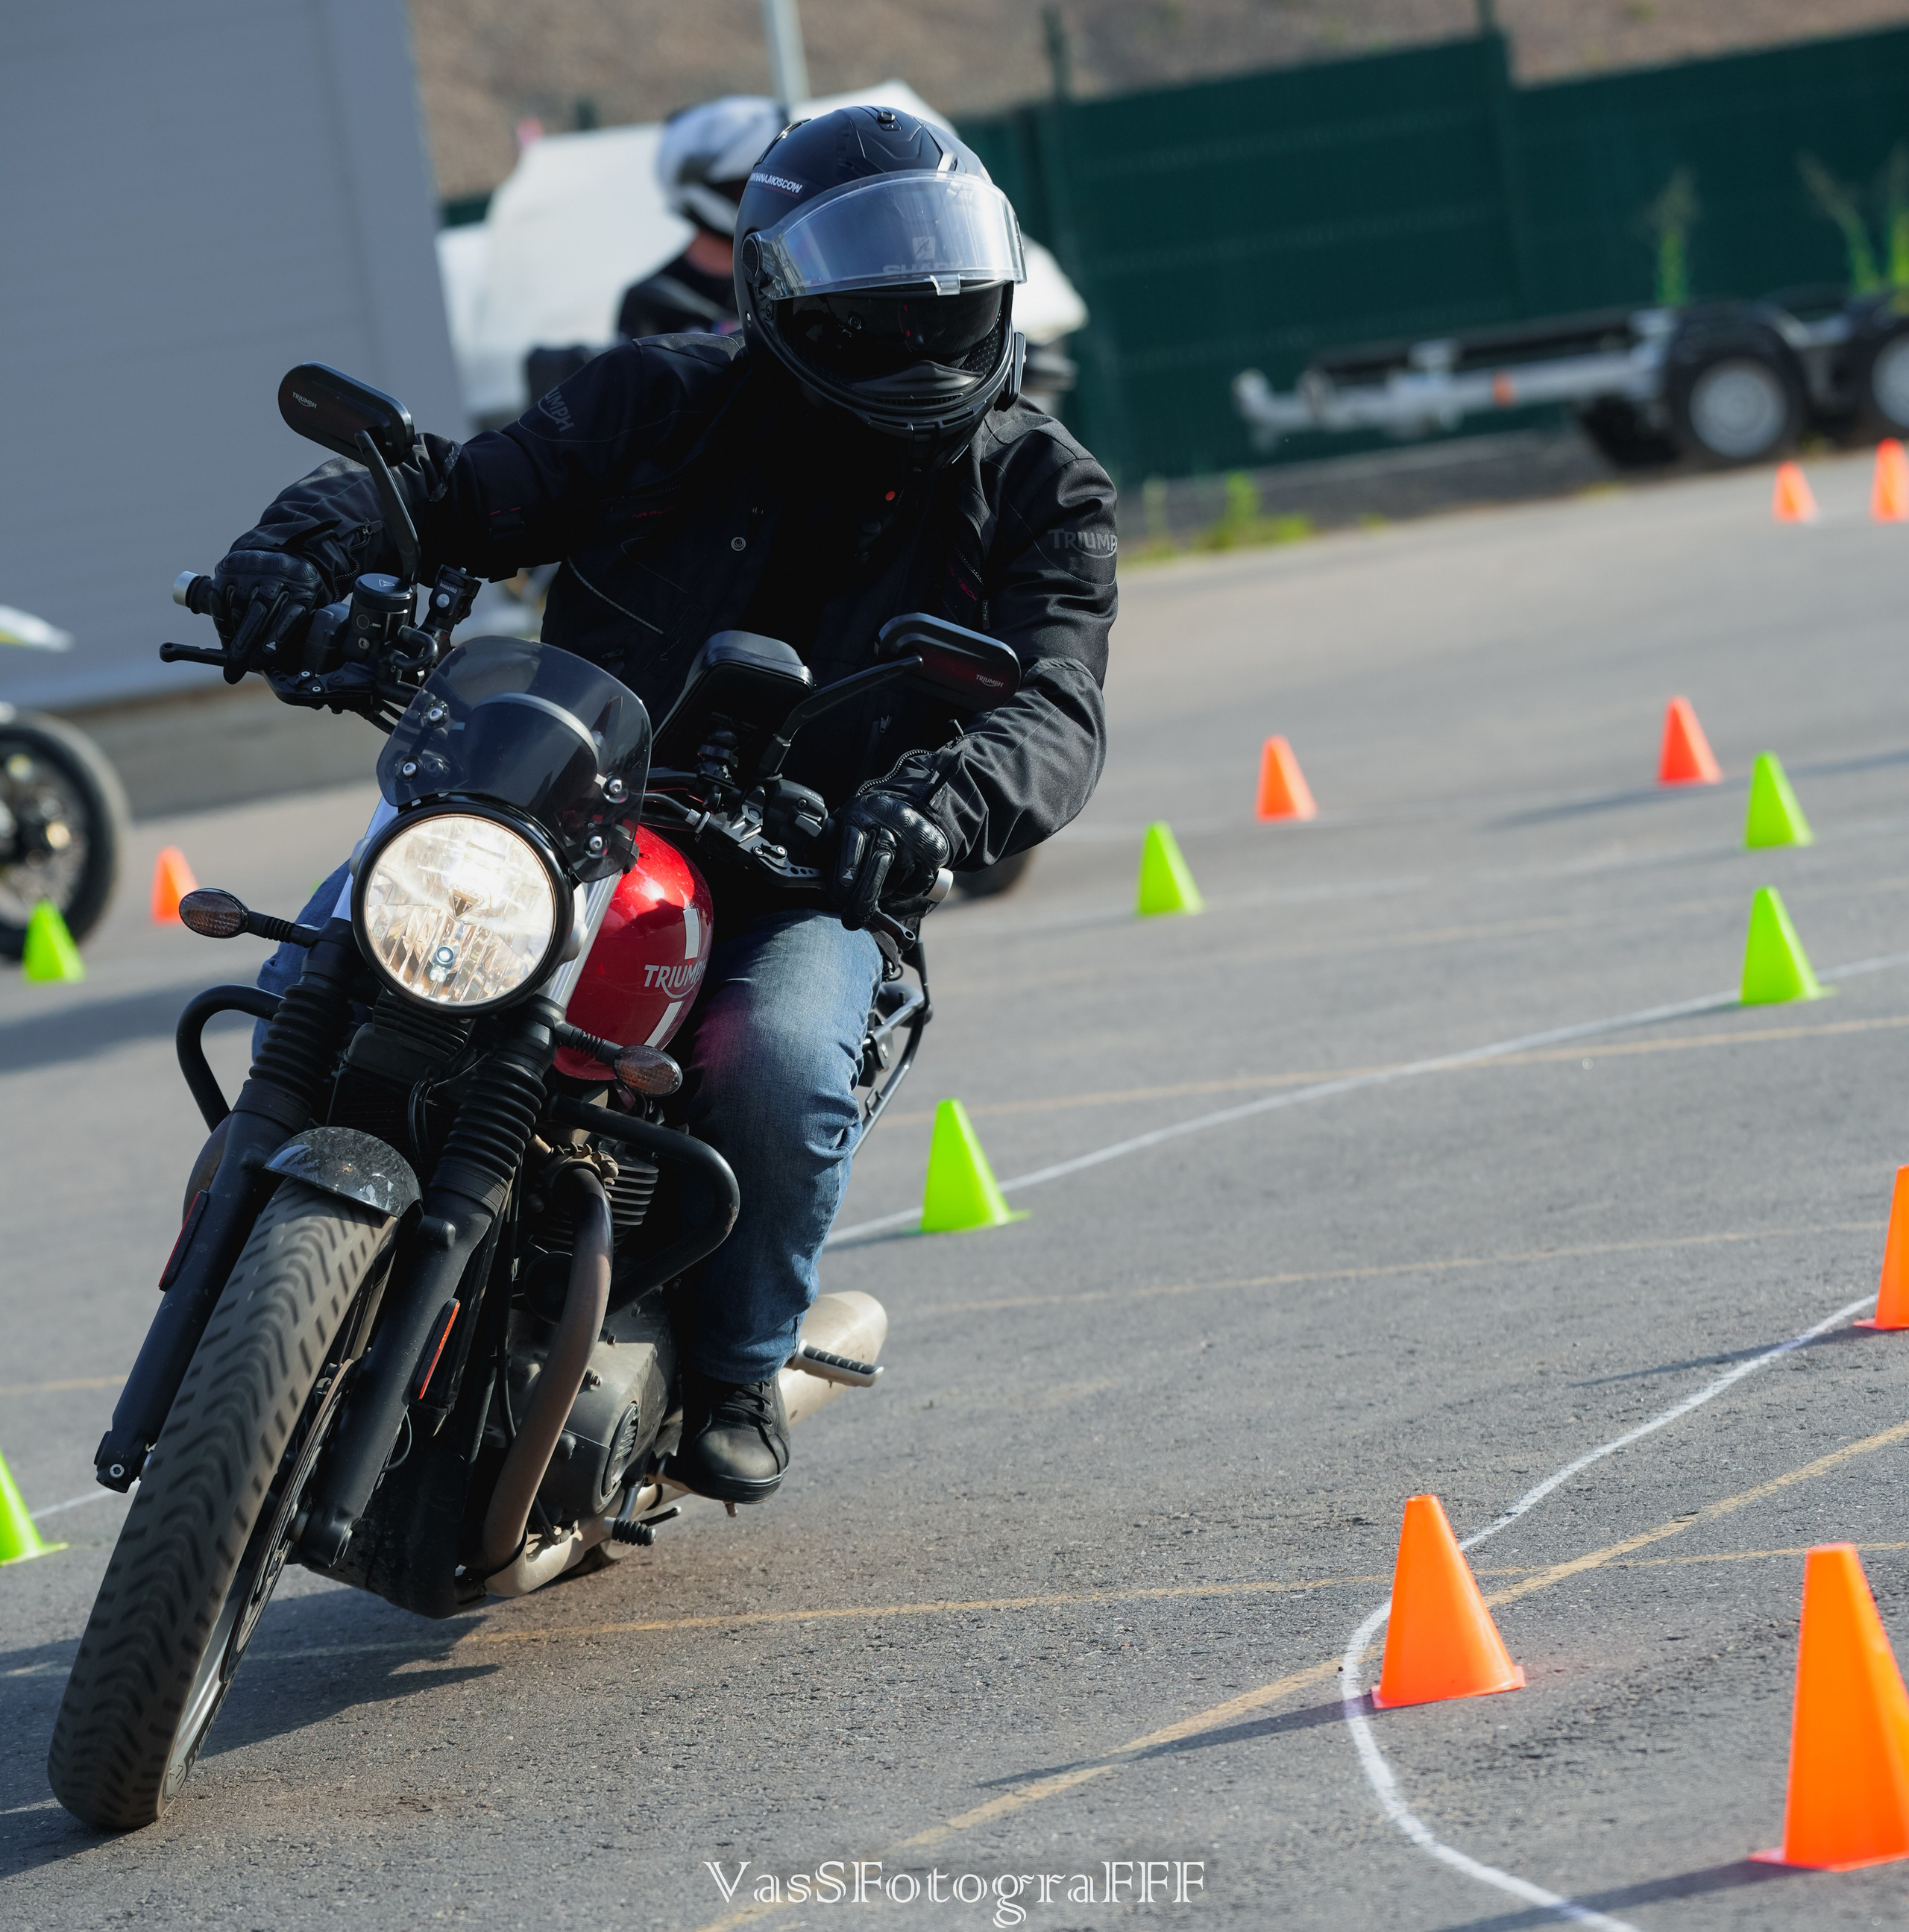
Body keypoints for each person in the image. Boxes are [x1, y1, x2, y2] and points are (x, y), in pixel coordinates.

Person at [211, 105, 1117, 1506]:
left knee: (780, 1055)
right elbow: (458, 495)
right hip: (560, 807)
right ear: (776, 287)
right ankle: (233, 1284)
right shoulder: (659, 397)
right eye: (875, 287)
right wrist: (311, 544)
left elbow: (1055, 701)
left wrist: (944, 798)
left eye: (941, 278)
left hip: (818, 864)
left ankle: (744, 1355)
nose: (918, 315)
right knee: (327, 955)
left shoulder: (1041, 483)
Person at [615, 95, 784, 341]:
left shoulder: (800, 275)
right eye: (748, 186)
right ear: (710, 189)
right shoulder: (652, 303)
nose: (771, 202)